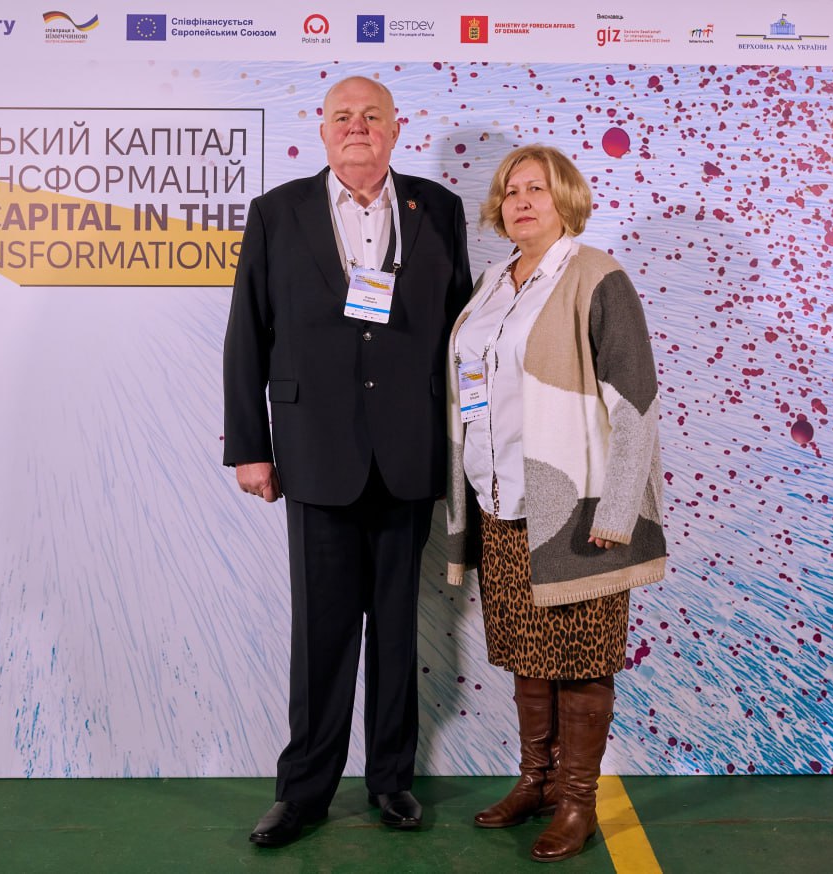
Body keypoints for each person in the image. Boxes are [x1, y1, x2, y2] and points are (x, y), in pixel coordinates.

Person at [223, 75, 472, 848]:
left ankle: (391, 780)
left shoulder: (439, 209)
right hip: (314, 453)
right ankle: (303, 793)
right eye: (343, 116)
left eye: (371, 116)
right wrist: (251, 447)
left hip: (409, 453)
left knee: (396, 630)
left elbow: (461, 335)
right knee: (321, 635)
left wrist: (467, 447)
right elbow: (247, 333)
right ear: (322, 129)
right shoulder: (277, 212)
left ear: (396, 128)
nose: (357, 126)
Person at [445, 145, 666, 862]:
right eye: (511, 190)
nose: (521, 201)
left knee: (581, 657)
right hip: (502, 500)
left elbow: (635, 398)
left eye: (537, 189)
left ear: (566, 199)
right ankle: (535, 781)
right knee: (528, 654)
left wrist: (619, 507)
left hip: (577, 506)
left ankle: (577, 801)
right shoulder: (491, 282)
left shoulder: (596, 275)